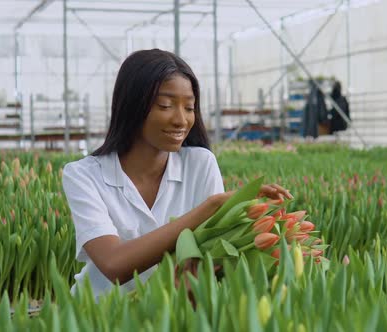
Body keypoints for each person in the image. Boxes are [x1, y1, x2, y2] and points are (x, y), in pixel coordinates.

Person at [62, 49, 292, 298]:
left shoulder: (200, 163)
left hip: (174, 312)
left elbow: (209, 258)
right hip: (95, 314)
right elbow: (114, 264)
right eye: (165, 105)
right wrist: (211, 206)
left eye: (190, 107)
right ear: (132, 105)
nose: (181, 120)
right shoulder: (83, 175)